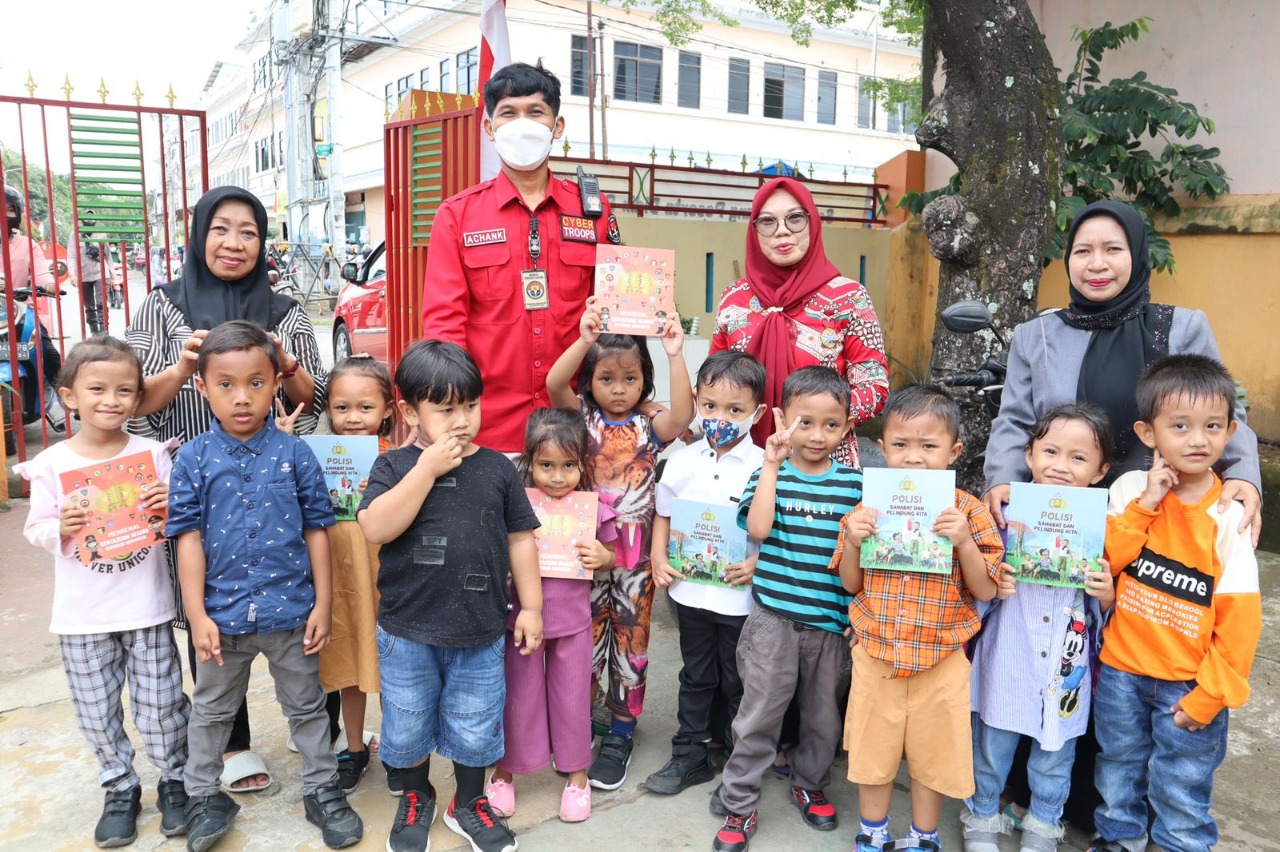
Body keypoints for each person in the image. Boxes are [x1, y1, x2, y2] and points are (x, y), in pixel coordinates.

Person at [981, 200, 1264, 831]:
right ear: (1068, 261)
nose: (1097, 263)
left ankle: (1115, 813)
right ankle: (1044, 798)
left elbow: (1218, 400)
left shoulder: (1179, 326)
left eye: (1112, 248)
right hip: (1060, 518)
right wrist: (1002, 481)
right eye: (1083, 251)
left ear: (1135, 254)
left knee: (1120, 655)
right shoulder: (1038, 334)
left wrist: (1243, 478)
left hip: (1151, 513)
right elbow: (1016, 420)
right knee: (1050, 645)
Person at [125, 185, 326, 794]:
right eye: (220, 228)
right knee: (211, 613)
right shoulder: (163, 305)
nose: (234, 242)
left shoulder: (286, 309)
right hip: (194, 484)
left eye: (248, 231)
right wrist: (184, 368)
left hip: (273, 481)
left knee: (283, 610)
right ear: (199, 235)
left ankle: (310, 731)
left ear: (263, 243)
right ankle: (234, 746)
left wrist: (285, 364)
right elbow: (135, 407)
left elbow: (313, 401)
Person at [166, 321, 362, 850]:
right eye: (225, 384)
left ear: (277, 381)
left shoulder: (296, 454)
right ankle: (205, 794)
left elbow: (317, 528)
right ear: (202, 387)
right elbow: (185, 538)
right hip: (220, 619)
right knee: (210, 711)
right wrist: (197, 615)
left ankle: (322, 791)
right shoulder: (192, 459)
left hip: (291, 613)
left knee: (306, 706)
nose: (242, 397)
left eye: (256, 382)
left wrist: (322, 603)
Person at [357, 340, 544, 852]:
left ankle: (468, 801)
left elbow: (521, 539)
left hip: (480, 628)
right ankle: (417, 795)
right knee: (408, 717)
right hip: (407, 629)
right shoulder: (394, 468)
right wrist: (426, 469)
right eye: (445, 410)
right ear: (409, 413)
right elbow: (375, 526)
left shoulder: (499, 469)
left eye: (470, 406)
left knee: (475, 718)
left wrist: (531, 606)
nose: (461, 420)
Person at [15, 337, 190, 848]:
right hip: (82, 616)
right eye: (97, 389)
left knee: (161, 705)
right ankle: (119, 786)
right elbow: (37, 530)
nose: (111, 400)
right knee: (97, 710)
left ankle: (174, 781)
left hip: (148, 606)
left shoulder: (152, 455)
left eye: (124, 391)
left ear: (138, 399)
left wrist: (169, 498)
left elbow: (177, 520)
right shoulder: (52, 464)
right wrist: (61, 526)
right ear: (69, 396)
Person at [1092, 354, 1262, 852]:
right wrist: (1146, 504)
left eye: (1212, 426)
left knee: (1182, 784)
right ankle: (1118, 840)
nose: (1197, 440)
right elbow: (1108, 561)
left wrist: (1211, 694)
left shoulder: (1229, 515)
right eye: (1180, 426)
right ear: (1149, 433)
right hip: (1121, 669)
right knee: (1118, 768)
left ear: (1230, 431)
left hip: (1187, 682)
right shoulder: (1128, 490)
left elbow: (1240, 621)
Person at [831, 384, 1003, 852]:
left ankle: (924, 838)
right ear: (881, 447)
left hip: (942, 658)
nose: (913, 457)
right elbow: (851, 584)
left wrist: (964, 541)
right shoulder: (867, 510)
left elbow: (986, 589)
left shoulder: (968, 511)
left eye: (929, 446)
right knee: (873, 750)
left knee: (932, 756)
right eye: (901, 445)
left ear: (954, 451)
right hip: (876, 653)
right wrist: (852, 540)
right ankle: (873, 833)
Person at [420, 61, 622, 454]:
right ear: (489, 128)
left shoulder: (592, 211)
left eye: (535, 112)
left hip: (577, 426)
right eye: (508, 113)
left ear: (556, 126)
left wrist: (633, 398)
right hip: (486, 432)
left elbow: (619, 317)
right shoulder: (458, 216)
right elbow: (444, 328)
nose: (522, 123)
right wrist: (443, 416)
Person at [709, 366, 865, 852]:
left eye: (831, 424)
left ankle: (809, 782)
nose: (817, 436)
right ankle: (738, 802)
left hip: (831, 626)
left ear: (846, 426)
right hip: (773, 621)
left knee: (823, 719)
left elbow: (865, 559)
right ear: (782, 419)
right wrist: (773, 467)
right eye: (804, 422)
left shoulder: (856, 486)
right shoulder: (767, 473)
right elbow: (756, 531)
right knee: (758, 716)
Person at [547, 300, 694, 791]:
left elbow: (684, 416)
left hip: (634, 559)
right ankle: (582, 724)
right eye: (606, 378)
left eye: (630, 379)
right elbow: (552, 385)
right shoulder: (581, 419)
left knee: (631, 647)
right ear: (590, 381)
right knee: (582, 646)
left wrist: (675, 353)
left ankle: (622, 733)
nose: (618, 389)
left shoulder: (651, 428)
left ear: (643, 381)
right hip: (583, 553)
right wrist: (585, 339)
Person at [963, 403, 1118, 852]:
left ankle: (1044, 823)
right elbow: (973, 588)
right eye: (1050, 451)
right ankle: (983, 815)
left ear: (1101, 469)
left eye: (1078, 458)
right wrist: (995, 577)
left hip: (1066, 658)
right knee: (993, 743)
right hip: (1009, 648)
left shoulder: (1104, 526)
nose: (1061, 466)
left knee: (1056, 753)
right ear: (1029, 456)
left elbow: (1105, 609)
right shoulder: (1001, 517)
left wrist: (1104, 592)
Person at [487, 407, 618, 824]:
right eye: (546, 465)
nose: (558, 477)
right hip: (521, 620)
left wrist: (603, 556)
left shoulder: (592, 508)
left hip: (574, 622)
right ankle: (505, 772)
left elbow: (615, 556)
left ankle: (577, 775)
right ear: (528, 461)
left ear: (584, 464)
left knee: (573, 698)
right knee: (519, 697)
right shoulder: (515, 503)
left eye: (568, 465)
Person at [645, 351, 766, 797]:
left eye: (735, 410)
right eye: (711, 406)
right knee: (696, 675)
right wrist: (658, 557)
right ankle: (689, 753)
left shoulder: (763, 468)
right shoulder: (681, 462)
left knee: (738, 681)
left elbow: (774, 530)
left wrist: (757, 564)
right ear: (696, 401)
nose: (721, 418)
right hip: (690, 594)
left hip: (741, 599)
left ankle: (737, 764)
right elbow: (663, 513)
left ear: (758, 413)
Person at [711, 176, 888, 469]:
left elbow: (875, 388)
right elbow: (714, 384)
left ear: (813, 222)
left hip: (826, 467)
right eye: (767, 222)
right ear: (754, 231)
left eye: (794, 219)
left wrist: (815, 421)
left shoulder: (848, 297)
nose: (782, 231)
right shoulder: (734, 298)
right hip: (741, 463)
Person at [316, 356, 397, 795]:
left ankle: (403, 751)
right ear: (328, 408)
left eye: (365, 407)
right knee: (349, 664)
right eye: (342, 407)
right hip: (342, 578)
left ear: (388, 409)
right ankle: (354, 748)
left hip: (389, 578)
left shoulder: (402, 459)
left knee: (397, 671)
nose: (352, 418)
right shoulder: (314, 458)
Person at [77, 238, 108, 334]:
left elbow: (107, 256)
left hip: (101, 272)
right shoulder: (75, 235)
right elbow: (72, 256)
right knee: (89, 306)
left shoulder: (101, 233)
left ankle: (104, 331)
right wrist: (72, 274)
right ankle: (94, 331)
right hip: (84, 274)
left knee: (101, 302)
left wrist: (112, 274)